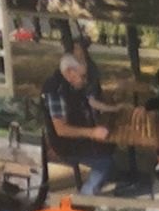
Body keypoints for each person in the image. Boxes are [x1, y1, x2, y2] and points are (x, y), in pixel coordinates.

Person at [40, 53, 117, 195]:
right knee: (105, 161)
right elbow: (61, 129)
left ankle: (100, 187)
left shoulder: (71, 83)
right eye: (82, 76)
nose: (85, 80)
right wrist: (92, 132)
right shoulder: (56, 90)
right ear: (70, 72)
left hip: (77, 140)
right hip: (65, 146)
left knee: (110, 148)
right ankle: (84, 198)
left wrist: (115, 109)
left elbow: (91, 102)